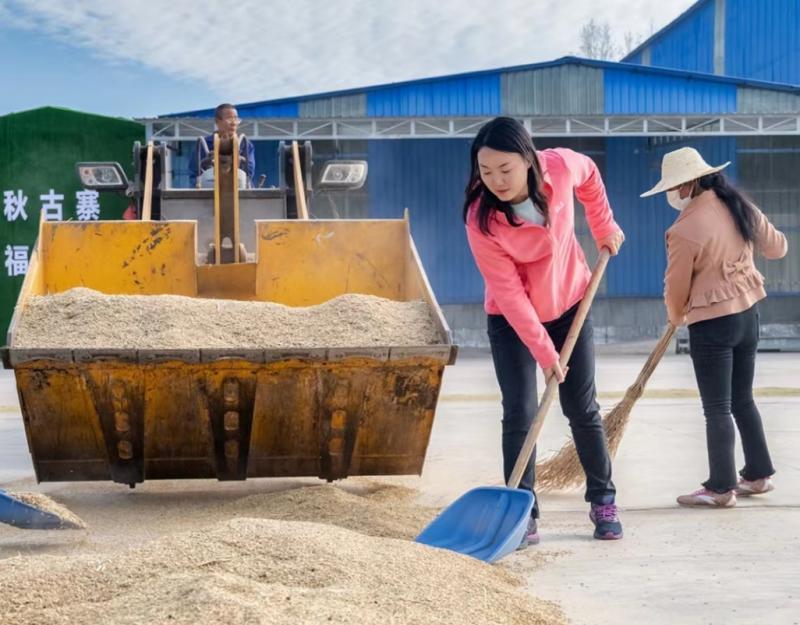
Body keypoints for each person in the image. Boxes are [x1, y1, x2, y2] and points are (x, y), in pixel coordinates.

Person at [463, 117, 625, 544]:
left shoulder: (558, 167)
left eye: (505, 169)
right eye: (486, 171)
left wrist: (603, 225)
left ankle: (603, 499)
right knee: (520, 411)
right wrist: (544, 352)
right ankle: (524, 510)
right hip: (512, 319)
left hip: (571, 303)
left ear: (529, 160)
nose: (496, 180)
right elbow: (510, 295)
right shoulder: (481, 220)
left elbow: (589, 175)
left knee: (581, 408)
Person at [641, 147, 788, 508]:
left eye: (673, 188)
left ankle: (721, 488)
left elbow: (675, 286)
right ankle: (757, 475)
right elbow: (778, 248)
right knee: (742, 398)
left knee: (717, 407)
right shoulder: (739, 206)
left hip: (712, 325)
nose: (672, 196)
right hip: (749, 314)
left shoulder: (685, 228)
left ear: (688, 184)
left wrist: (675, 317)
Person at [188, 103, 256, 188]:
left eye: (236, 119)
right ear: (217, 121)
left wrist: (237, 162)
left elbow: (249, 172)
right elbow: (194, 174)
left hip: (241, 191)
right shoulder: (203, 144)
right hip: (209, 192)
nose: (233, 123)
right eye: (229, 119)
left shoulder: (245, 144)